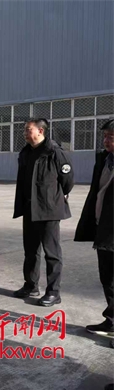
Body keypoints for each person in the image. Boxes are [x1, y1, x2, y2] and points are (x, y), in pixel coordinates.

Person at [12, 118, 74, 307]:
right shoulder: (26, 152)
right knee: (31, 251)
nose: (24, 133)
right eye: (24, 129)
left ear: (40, 131)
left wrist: (56, 197)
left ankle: (54, 292)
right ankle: (30, 285)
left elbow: (67, 179)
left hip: (49, 209)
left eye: (28, 129)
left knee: (51, 253)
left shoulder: (54, 151)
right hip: (30, 208)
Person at [75, 118, 114, 336]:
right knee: (107, 278)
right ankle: (112, 320)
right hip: (104, 227)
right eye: (105, 136)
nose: (106, 140)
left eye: (111, 137)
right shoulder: (104, 160)